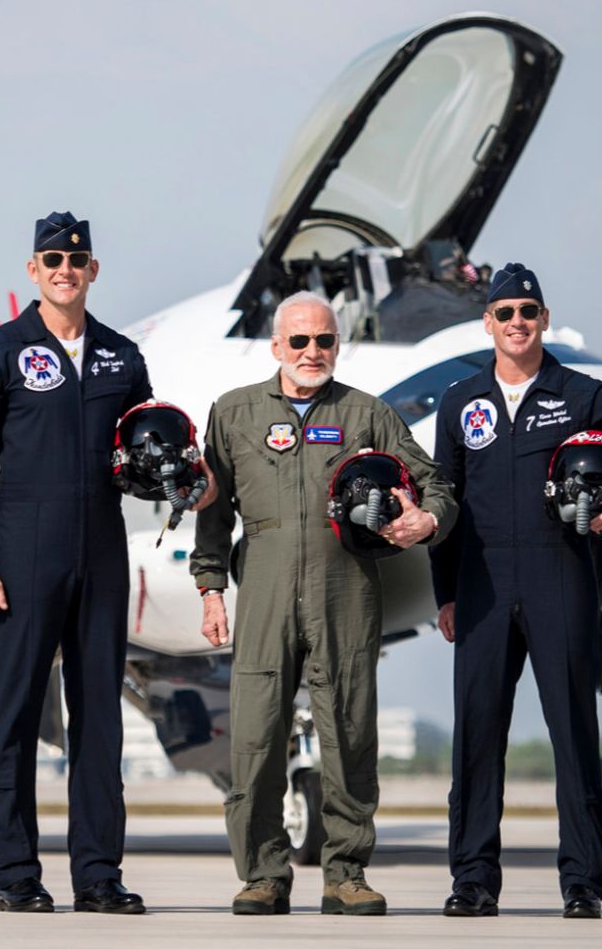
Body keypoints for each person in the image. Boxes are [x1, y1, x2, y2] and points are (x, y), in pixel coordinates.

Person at [191, 290, 456, 917]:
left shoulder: (369, 414)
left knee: (349, 732)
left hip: (347, 588)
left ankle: (347, 874)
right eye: (301, 341)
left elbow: (435, 482)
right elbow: (210, 508)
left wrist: (428, 520)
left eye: (325, 340)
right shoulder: (234, 413)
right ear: (278, 346)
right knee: (255, 736)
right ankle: (262, 874)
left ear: (339, 345)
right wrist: (210, 590)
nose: (313, 352)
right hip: (263, 585)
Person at [0, 211, 185, 914]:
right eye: (52, 259)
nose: (64, 269)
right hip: (24, 552)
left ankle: (98, 874)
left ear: (92, 271)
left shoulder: (122, 355)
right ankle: (17, 874)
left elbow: (149, 451)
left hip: (102, 553)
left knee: (100, 721)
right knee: (17, 714)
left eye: (76, 260)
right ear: (33, 270)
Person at [430, 262, 602, 921]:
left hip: (561, 575)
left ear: (544, 319)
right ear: (488, 322)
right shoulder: (461, 401)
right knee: (476, 737)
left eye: (527, 312)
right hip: (480, 585)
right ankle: (472, 878)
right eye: (504, 313)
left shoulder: (584, 395)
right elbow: (443, 503)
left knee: (572, 730)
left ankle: (583, 880)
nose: (516, 323)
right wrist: (443, 592)